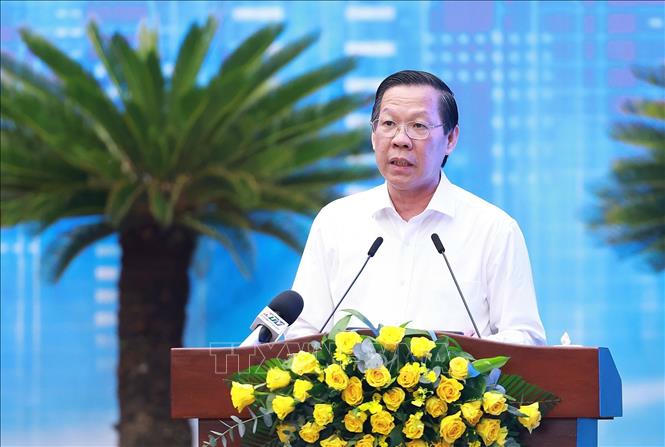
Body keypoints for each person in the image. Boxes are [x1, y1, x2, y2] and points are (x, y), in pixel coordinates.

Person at [285, 70, 546, 345]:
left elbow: (526, 337)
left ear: (450, 139)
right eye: (388, 123)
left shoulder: (493, 230)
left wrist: (473, 353)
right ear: (373, 135)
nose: (400, 139)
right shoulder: (336, 221)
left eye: (419, 126)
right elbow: (303, 332)